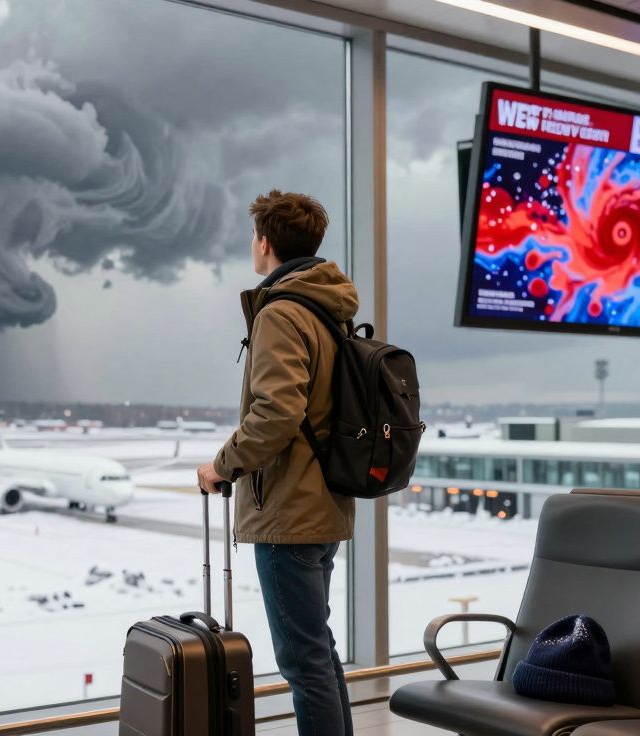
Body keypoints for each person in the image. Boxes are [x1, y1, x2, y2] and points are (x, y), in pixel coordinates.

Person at [197, 189, 357, 736]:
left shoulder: (282, 313)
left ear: (264, 242)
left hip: (288, 511)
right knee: (320, 653)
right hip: (324, 505)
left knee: (303, 663)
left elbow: (277, 413)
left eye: (252, 236)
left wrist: (222, 465)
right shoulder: (328, 309)